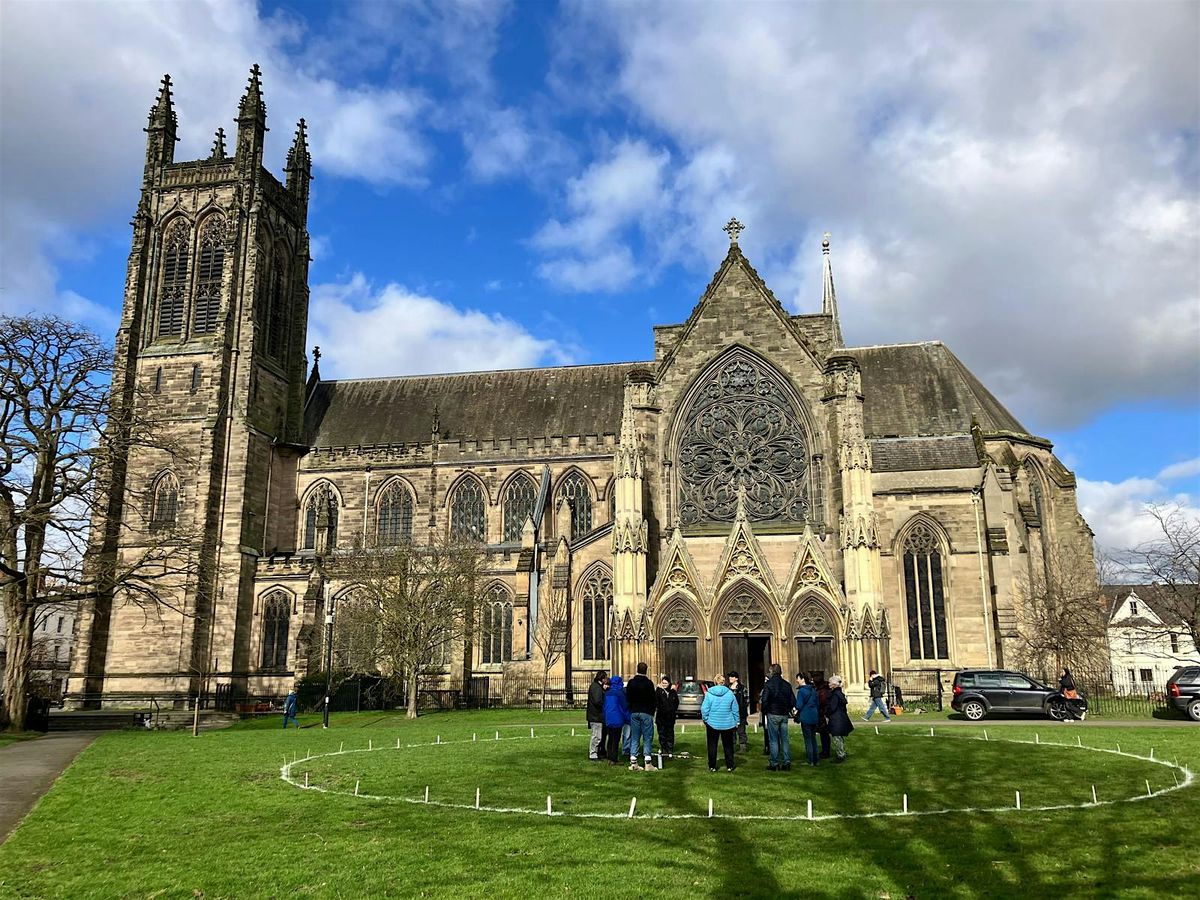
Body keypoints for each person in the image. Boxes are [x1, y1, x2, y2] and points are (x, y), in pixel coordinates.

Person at [700, 673, 740, 772]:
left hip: (712, 723)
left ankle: (712, 766)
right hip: (728, 723)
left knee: (712, 745)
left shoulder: (709, 694)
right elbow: (735, 709)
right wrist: (737, 721)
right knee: (728, 746)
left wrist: (705, 719)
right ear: (723, 682)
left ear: (714, 682)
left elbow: (704, 709)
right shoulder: (730, 693)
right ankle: (730, 765)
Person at [761, 663, 796, 771]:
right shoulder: (787, 684)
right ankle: (786, 761)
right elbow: (793, 701)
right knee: (784, 739)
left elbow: (764, 700)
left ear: (772, 672)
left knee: (774, 739)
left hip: (773, 713)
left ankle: (774, 763)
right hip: (784, 714)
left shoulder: (768, 685)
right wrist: (787, 709)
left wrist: (765, 711)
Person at [625, 662, 658, 771]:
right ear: (646, 670)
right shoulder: (648, 683)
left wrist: (631, 708)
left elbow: (628, 697)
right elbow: (653, 699)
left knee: (635, 736)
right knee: (647, 737)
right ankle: (648, 762)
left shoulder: (631, 683)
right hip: (646, 712)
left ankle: (633, 761)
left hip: (634, 712)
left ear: (637, 669)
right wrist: (652, 711)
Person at [793, 672, 820, 766]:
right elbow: (817, 703)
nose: (797, 681)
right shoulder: (813, 690)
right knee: (813, 739)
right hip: (814, 716)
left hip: (806, 717)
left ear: (802, 679)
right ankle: (816, 759)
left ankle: (810, 760)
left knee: (808, 739)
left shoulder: (801, 691)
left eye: (798, 679)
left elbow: (799, 705)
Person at [603, 675, 630, 766]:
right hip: (617, 718)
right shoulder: (620, 693)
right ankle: (614, 759)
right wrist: (628, 718)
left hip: (609, 718)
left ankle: (610, 757)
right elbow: (624, 706)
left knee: (610, 738)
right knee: (616, 739)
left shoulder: (607, 693)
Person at [826, 674, 854, 763]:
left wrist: (827, 713)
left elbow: (832, 707)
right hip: (840, 718)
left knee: (837, 738)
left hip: (836, 719)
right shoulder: (840, 693)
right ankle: (842, 753)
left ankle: (840, 755)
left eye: (830, 683)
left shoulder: (835, 695)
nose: (828, 684)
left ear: (834, 684)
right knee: (839, 738)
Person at [586, 669, 608, 760]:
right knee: (596, 736)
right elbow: (597, 701)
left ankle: (596, 753)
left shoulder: (597, 687)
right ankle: (593, 754)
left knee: (598, 736)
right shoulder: (596, 687)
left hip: (596, 716)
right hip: (596, 716)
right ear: (602, 679)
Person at [655, 676, 679, 757]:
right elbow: (657, 702)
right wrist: (659, 690)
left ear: (669, 683)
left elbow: (676, 703)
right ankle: (664, 749)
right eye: (663, 683)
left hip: (670, 717)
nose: (664, 684)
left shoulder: (673, 692)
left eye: (666, 683)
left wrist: (672, 710)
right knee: (661, 734)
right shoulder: (658, 691)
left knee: (670, 733)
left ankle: (670, 749)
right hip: (661, 717)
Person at [728, 671, 749, 751]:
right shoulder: (727, 688)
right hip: (730, 713)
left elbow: (746, 700)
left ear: (736, 678)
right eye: (730, 676)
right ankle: (732, 746)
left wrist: (742, 708)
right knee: (731, 731)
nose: (730, 678)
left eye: (732, 676)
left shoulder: (742, 688)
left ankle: (743, 746)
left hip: (741, 713)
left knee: (741, 730)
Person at [815, 675, 832, 759]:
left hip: (823, 714)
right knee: (823, 734)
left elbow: (821, 702)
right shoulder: (825, 690)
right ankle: (825, 750)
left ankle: (826, 751)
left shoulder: (822, 691)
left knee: (824, 733)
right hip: (823, 713)